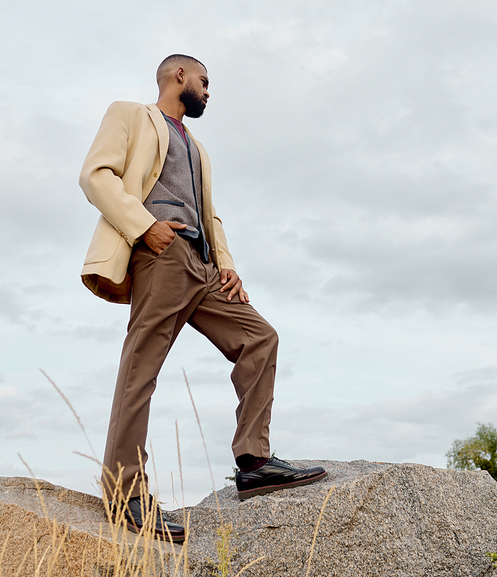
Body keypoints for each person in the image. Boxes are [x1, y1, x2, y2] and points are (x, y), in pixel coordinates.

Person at [79, 54, 327, 541]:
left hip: (203, 263)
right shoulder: (131, 114)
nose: (208, 91)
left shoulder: (197, 146)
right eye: (204, 81)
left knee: (261, 338)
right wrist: (145, 226)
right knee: (141, 367)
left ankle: (253, 460)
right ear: (179, 76)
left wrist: (227, 266)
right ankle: (125, 491)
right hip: (161, 253)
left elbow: (210, 215)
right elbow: (96, 175)